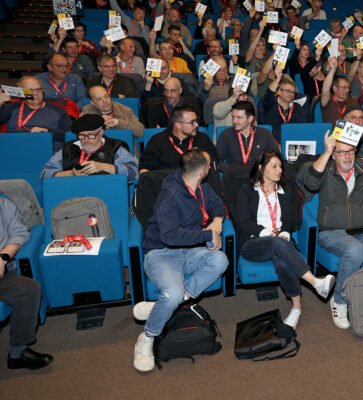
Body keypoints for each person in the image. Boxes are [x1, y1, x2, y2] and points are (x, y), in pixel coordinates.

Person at [131, 149, 229, 372]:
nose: (211, 167)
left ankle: (164, 306)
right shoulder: (171, 196)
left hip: (189, 250)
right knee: (172, 294)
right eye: (209, 165)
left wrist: (217, 221)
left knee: (220, 261)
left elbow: (218, 205)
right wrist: (207, 235)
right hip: (161, 253)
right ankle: (147, 337)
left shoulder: (201, 186)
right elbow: (170, 236)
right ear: (203, 171)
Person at [296, 131, 363, 329]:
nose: (347, 156)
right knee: (355, 250)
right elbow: (310, 182)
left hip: (360, 228)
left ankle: (361, 295)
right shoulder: (324, 169)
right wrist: (326, 152)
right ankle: (339, 299)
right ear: (334, 155)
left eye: (351, 151)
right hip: (331, 230)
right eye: (341, 152)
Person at [236, 151, 335, 328]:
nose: (279, 170)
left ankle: (296, 308)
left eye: (280, 166)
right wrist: (268, 233)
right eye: (274, 166)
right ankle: (315, 282)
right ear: (261, 168)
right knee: (276, 243)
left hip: (280, 240)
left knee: (283, 264)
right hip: (253, 243)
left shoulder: (286, 190)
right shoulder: (247, 190)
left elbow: (289, 220)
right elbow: (245, 222)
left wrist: (284, 233)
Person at [0, 197, 53, 370]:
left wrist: (3, 258)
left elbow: (19, 233)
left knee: (29, 289)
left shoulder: (4, 205)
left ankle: (17, 353)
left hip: (2, 273)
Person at [41, 114, 138, 182]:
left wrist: (102, 167)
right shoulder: (68, 148)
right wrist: (71, 174)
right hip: (73, 196)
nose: (86, 140)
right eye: (82, 135)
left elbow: (133, 173)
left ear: (101, 132)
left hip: (106, 193)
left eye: (91, 135)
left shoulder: (115, 147)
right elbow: (44, 174)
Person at [139, 106, 218, 175]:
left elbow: (213, 163)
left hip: (197, 182)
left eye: (196, 121)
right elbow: (145, 168)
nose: (197, 125)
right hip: (166, 182)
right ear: (178, 125)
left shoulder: (203, 139)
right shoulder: (157, 140)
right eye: (192, 122)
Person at [0, 76, 71, 150]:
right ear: (21, 92)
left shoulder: (58, 110)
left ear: (42, 90)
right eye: (30, 90)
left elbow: (70, 135)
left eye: (38, 89)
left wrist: (47, 131)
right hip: (15, 149)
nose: (35, 93)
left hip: (47, 151)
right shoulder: (11, 108)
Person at [217, 101, 279, 167]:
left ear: (250, 119)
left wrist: (264, 168)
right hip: (234, 172)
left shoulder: (265, 134)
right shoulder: (226, 135)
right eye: (233, 117)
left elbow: (277, 156)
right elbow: (217, 160)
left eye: (239, 117)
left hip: (258, 172)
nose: (234, 121)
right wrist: (229, 170)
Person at [260, 65, 309, 143]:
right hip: (272, 143)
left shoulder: (297, 108)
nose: (291, 94)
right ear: (279, 91)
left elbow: (302, 129)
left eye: (293, 92)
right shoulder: (270, 104)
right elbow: (268, 94)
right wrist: (278, 79)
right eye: (287, 91)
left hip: (292, 143)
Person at [320, 56, 361, 123]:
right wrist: (333, 69)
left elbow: (360, 119)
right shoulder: (328, 101)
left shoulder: (353, 101)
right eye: (344, 87)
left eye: (348, 88)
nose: (347, 90)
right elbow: (325, 90)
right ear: (335, 88)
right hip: (332, 129)